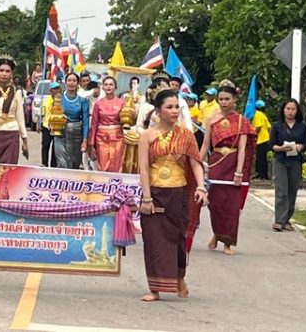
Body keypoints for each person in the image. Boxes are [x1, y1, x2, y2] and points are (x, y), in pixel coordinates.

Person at [138, 88, 208, 302]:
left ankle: (179, 277)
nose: (175, 111)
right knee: (154, 242)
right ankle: (155, 288)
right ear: (158, 111)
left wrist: (201, 187)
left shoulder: (186, 135)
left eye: (177, 106)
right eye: (169, 107)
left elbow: (195, 164)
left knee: (178, 239)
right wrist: (147, 198)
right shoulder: (147, 137)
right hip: (155, 194)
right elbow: (143, 169)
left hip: (178, 194)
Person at [200, 79, 256, 255]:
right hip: (216, 163)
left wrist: (239, 172)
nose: (224, 102)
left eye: (227, 99)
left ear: (234, 100)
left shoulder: (242, 122)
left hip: (233, 165)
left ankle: (227, 243)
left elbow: (242, 149)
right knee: (215, 204)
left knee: (231, 206)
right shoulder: (211, 119)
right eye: (221, 99)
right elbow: (205, 145)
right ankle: (217, 233)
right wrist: (197, 164)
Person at [269, 99, 306, 232]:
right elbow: (272, 145)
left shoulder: (301, 126)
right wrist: (281, 148)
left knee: (292, 190)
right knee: (281, 191)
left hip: (295, 161)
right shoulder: (277, 126)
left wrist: (300, 147)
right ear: (283, 110)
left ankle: (287, 220)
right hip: (280, 159)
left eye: (293, 109)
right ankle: (279, 221)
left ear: (297, 111)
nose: (290, 112)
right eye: (288, 109)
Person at [88, 76, 125, 172]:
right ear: (103, 87)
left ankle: (115, 185)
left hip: (117, 136)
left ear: (115, 87)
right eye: (106, 84)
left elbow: (126, 121)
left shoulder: (122, 103)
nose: (108, 87)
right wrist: (91, 143)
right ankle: (103, 185)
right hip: (102, 137)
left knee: (116, 164)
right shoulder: (98, 103)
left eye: (111, 84)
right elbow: (94, 124)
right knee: (103, 164)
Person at [54, 72, 90, 169]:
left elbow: (86, 122)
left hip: (76, 134)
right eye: (69, 80)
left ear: (78, 83)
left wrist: (85, 139)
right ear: (65, 82)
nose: (71, 83)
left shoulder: (83, 101)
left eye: (74, 81)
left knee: (74, 163)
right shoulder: (58, 98)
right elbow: (53, 115)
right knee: (62, 163)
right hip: (60, 133)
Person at [39, 82, 60, 167]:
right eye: (55, 89)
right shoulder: (45, 101)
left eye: (58, 88)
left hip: (57, 127)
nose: (57, 90)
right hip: (46, 126)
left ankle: (53, 165)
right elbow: (41, 113)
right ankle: (44, 163)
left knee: (55, 147)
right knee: (45, 145)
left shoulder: (61, 100)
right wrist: (38, 124)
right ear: (51, 90)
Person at [252, 99, 271, 181]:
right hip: (265, 138)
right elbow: (269, 127)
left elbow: (258, 127)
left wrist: (254, 136)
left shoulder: (257, 114)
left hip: (260, 139)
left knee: (260, 158)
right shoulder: (263, 115)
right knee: (263, 158)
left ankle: (261, 175)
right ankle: (262, 174)